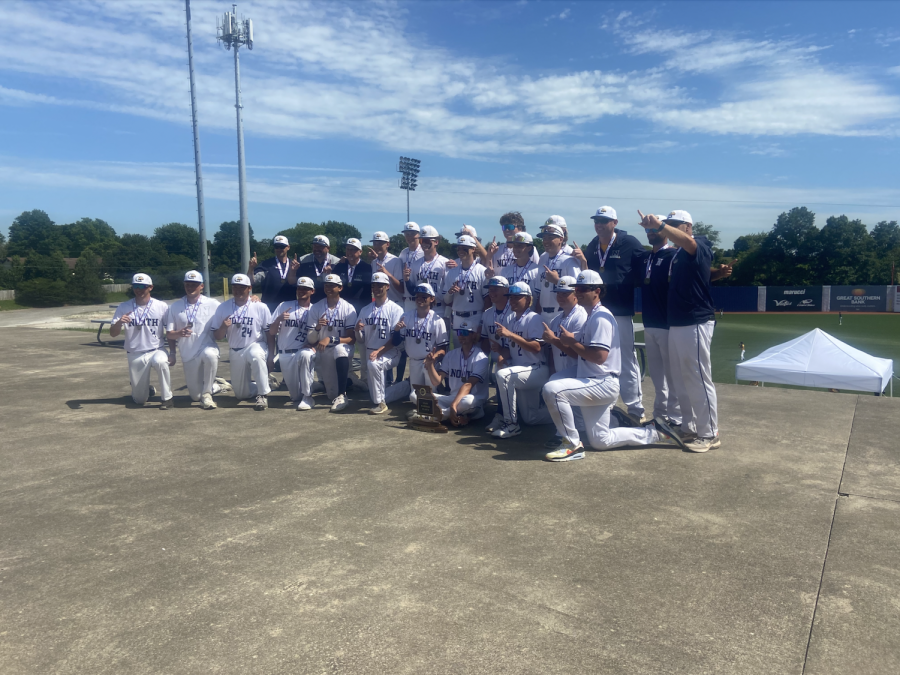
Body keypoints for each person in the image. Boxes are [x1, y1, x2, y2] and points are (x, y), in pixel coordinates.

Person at [542, 270, 685, 461]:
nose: (579, 292)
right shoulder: (591, 315)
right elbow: (584, 342)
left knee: (553, 390)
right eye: (577, 288)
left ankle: (572, 444)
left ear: (597, 291)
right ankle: (656, 433)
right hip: (593, 380)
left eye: (584, 288)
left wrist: (570, 341)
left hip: (602, 382)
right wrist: (569, 339)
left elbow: (599, 356)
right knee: (601, 440)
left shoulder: (601, 317)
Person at [638, 209, 720, 452]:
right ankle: (690, 426)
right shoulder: (676, 255)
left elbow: (689, 243)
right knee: (681, 379)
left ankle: (710, 433)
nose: (668, 228)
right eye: (667, 224)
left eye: (674, 225)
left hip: (694, 320)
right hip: (675, 322)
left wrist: (660, 226)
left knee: (698, 378)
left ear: (688, 226)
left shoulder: (699, 244)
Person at [571, 206, 648, 424]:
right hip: (597, 310)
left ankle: (635, 407)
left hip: (620, 310)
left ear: (614, 222)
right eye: (596, 221)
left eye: (604, 221)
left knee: (626, 357)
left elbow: (644, 267)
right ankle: (609, 403)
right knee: (602, 358)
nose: (599, 225)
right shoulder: (594, 245)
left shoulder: (629, 243)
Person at [490, 281, 552, 438]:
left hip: (536, 369)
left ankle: (511, 424)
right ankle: (570, 414)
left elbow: (536, 347)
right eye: (511, 298)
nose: (513, 301)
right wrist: (501, 351)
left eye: (517, 297)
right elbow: (512, 350)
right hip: (521, 372)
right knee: (531, 418)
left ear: (529, 300)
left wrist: (510, 335)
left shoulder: (534, 318)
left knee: (503, 375)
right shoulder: (511, 320)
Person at [165, 270, 230, 410]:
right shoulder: (175, 306)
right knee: (195, 396)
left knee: (211, 355)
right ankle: (216, 385)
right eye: (188, 284)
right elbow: (169, 334)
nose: (190, 287)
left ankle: (207, 394)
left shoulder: (213, 304)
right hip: (188, 353)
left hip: (206, 346)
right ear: (184, 285)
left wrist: (253, 298)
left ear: (201, 286)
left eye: (194, 284)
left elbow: (234, 306)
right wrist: (178, 334)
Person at [639, 223, 683, 428]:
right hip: (649, 322)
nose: (650, 233)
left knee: (672, 374)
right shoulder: (647, 257)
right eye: (648, 230)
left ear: (664, 231)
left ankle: (676, 417)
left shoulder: (673, 255)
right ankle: (659, 416)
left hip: (666, 323)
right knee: (657, 376)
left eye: (654, 229)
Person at [110, 273, 172, 408]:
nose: (138, 289)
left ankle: (167, 398)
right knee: (139, 400)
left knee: (161, 362)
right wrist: (119, 323)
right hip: (135, 352)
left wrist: (172, 352)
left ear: (150, 287)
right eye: (136, 286)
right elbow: (113, 334)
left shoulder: (161, 306)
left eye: (142, 286)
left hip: (156, 349)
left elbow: (170, 330)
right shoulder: (124, 307)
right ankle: (146, 389)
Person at [212, 274, 273, 410]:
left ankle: (263, 395)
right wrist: (223, 327)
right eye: (235, 287)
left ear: (249, 288)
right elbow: (217, 335)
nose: (238, 291)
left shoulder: (260, 306)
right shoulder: (223, 307)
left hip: (255, 344)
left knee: (256, 356)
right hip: (235, 349)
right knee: (241, 395)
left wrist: (271, 356)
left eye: (242, 288)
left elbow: (269, 333)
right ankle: (263, 384)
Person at [385, 282, 449, 406]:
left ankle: (438, 405)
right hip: (413, 361)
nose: (420, 299)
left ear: (432, 299)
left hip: (430, 363)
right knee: (416, 395)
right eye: (417, 296)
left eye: (424, 296)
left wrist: (433, 358)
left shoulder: (437, 320)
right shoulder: (406, 316)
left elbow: (443, 348)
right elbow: (397, 342)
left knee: (429, 393)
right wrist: (397, 331)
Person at [416, 321, 490, 424]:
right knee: (415, 395)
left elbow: (468, 385)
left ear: (473, 335)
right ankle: (456, 415)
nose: (461, 336)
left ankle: (434, 415)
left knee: (467, 401)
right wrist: (430, 365)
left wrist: (453, 406)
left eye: (465, 333)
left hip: (474, 399)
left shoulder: (481, 358)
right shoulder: (451, 355)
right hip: (452, 398)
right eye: (459, 332)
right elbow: (437, 381)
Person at [305, 273, 357, 411]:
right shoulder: (316, 308)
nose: (328, 288)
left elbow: (352, 339)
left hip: (343, 347)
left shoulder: (348, 308)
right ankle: (351, 380)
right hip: (324, 349)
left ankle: (342, 395)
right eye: (326, 285)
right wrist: (317, 328)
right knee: (330, 394)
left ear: (340, 288)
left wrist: (332, 339)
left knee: (339, 349)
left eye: (332, 286)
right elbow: (311, 339)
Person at [356, 272, 405, 414]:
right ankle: (404, 387)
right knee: (376, 394)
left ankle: (381, 404)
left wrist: (379, 352)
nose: (376, 288)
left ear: (387, 287)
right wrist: (357, 330)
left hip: (391, 351)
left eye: (380, 285)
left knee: (374, 364)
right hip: (370, 351)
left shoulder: (396, 309)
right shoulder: (365, 310)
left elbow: (396, 340)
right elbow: (360, 339)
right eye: (374, 285)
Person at [268, 277, 315, 410]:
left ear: (312, 291)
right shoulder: (284, 305)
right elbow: (271, 332)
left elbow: (319, 333)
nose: (302, 291)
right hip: (285, 354)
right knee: (295, 396)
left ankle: (308, 397)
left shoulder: (314, 310)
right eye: (300, 288)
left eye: (305, 289)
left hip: (303, 350)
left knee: (306, 355)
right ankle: (310, 388)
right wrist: (278, 319)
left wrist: (314, 345)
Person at [480, 276, 511, 431]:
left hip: (513, 358)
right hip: (495, 357)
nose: (491, 293)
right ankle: (499, 414)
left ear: (506, 290)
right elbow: (485, 341)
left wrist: (505, 354)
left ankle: (503, 416)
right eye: (490, 290)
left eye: (495, 289)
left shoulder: (513, 312)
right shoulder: (487, 314)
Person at [443, 235, 490, 330]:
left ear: (473, 249)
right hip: (457, 317)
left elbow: (487, 300)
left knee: (475, 345)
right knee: (458, 345)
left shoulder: (482, 271)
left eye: (464, 248)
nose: (460, 251)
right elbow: (446, 300)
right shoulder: (452, 272)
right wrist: (450, 292)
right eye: (458, 248)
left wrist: (482, 322)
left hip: (476, 316)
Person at [536, 223, 582, 318]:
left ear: (561, 239)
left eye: (550, 237)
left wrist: (557, 281)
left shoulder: (569, 260)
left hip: (561, 313)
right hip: (543, 313)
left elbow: (578, 288)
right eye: (544, 238)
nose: (546, 241)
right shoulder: (542, 258)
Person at [248, 235, 300, 312]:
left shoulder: (295, 265)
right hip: (269, 308)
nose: (279, 249)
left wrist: (294, 271)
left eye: (282, 246)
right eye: (276, 247)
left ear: (288, 247)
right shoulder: (266, 264)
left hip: (290, 308)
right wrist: (251, 268)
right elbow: (251, 281)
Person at [407, 226, 450, 320]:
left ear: (436, 242)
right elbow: (413, 290)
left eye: (427, 241)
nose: (424, 244)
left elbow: (447, 292)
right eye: (422, 241)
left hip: (438, 309)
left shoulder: (445, 263)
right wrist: (406, 280)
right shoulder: (415, 264)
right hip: (420, 309)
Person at [333, 238, 373, 314]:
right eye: (348, 249)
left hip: (361, 308)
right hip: (341, 307)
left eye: (353, 250)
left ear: (360, 252)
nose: (349, 252)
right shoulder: (339, 266)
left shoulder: (367, 268)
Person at [297, 234, 341, 303]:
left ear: (328, 248)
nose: (317, 249)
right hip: (308, 302)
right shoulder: (303, 260)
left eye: (320, 246)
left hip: (328, 302)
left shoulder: (337, 262)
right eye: (315, 246)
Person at [366, 231, 405, 305]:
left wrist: (388, 275)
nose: (377, 246)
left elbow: (402, 289)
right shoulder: (374, 262)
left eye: (380, 243)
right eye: (375, 244)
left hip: (396, 303)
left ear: (387, 244)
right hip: (380, 304)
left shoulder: (396, 260)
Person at [497, 232, 541, 298]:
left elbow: (539, 298)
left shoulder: (537, 271)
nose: (516, 248)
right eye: (514, 245)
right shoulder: (505, 271)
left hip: (530, 308)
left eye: (520, 246)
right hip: (508, 308)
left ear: (529, 248)